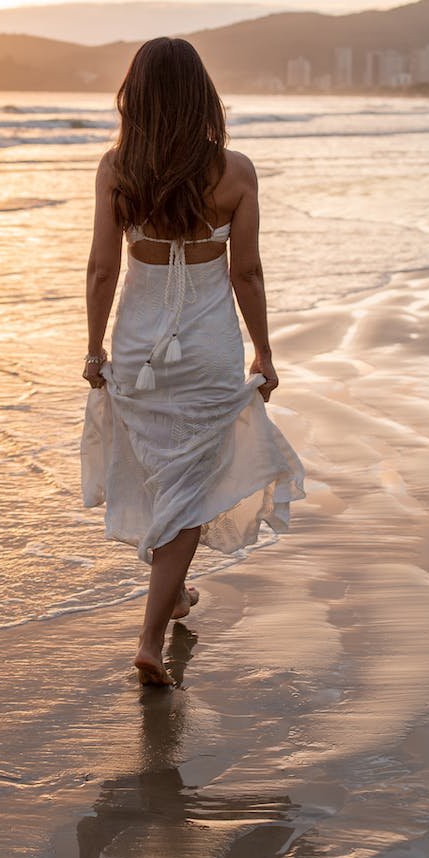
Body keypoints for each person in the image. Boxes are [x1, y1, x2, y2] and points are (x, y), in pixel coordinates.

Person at [81, 37, 306, 687]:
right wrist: (263, 349)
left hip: (137, 348)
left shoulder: (118, 170)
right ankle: (153, 632)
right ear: (201, 96)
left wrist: (94, 348)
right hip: (207, 348)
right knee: (187, 484)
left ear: (137, 99)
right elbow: (248, 273)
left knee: (163, 474)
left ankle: (167, 604)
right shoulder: (234, 172)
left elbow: (101, 269)